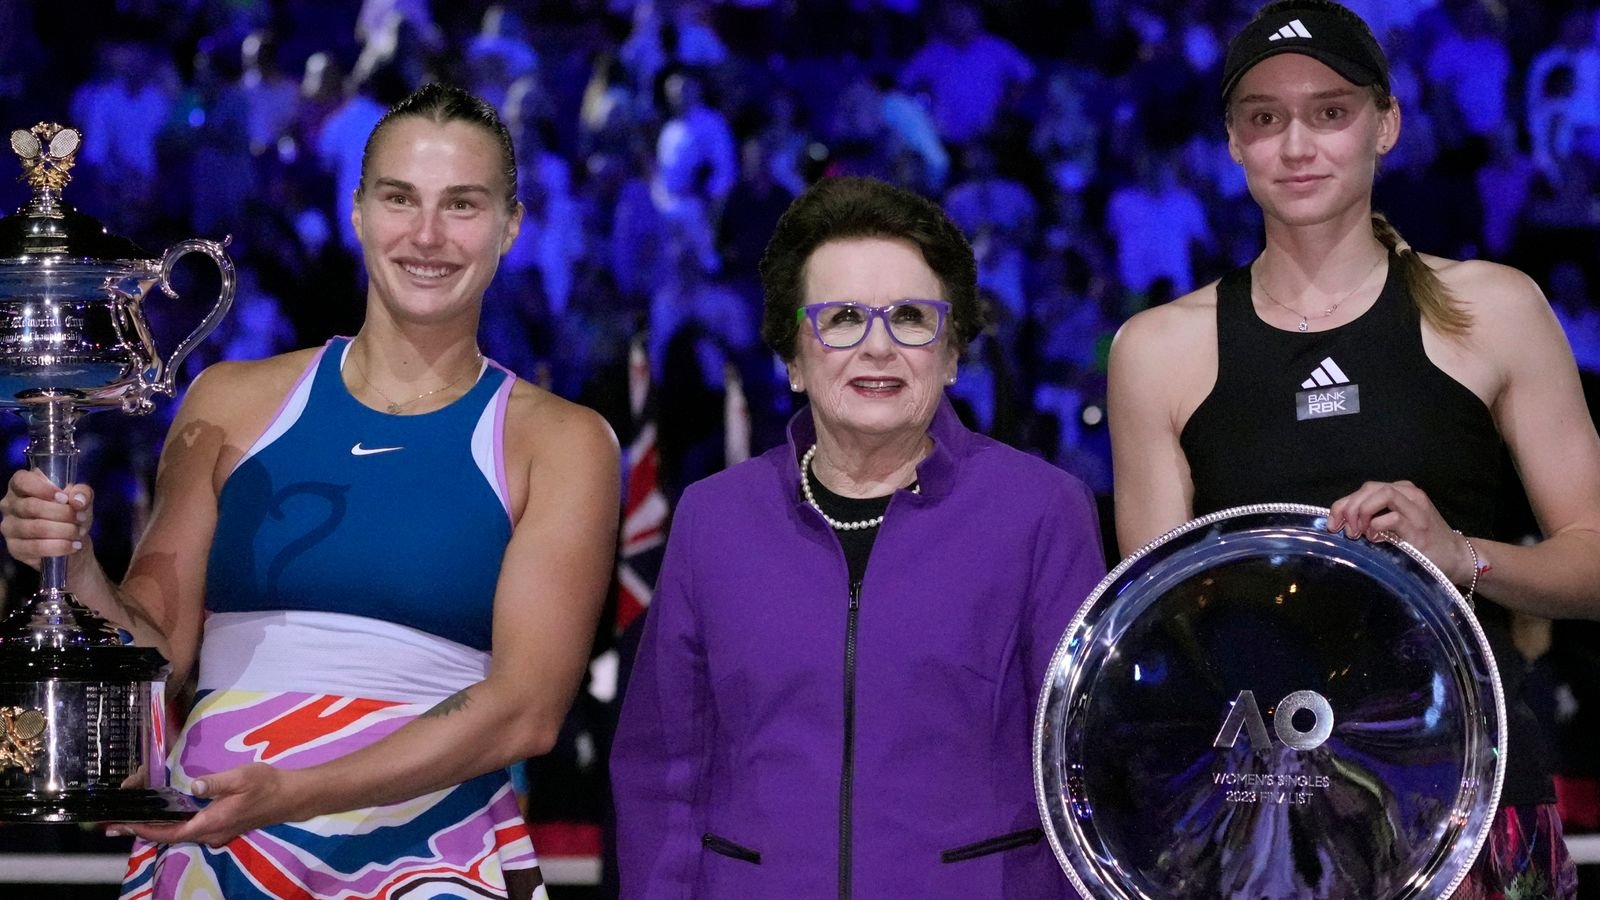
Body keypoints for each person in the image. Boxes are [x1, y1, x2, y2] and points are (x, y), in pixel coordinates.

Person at [0, 83, 619, 900]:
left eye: (462, 205)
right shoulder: (228, 402)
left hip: (429, 862)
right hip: (218, 858)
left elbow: (525, 712)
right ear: (357, 210)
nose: (427, 235)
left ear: (511, 225)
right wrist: (70, 564)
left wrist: (294, 792)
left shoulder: (564, 442)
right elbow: (158, 657)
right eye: (399, 199)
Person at [1107, 2, 1600, 897]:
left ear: (1386, 123)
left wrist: (1465, 558)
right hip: (1262, 814)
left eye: (1330, 112)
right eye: (1265, 117)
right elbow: (1158, 634)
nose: (1297, 144)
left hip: (1473, 794)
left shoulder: (1496, 311)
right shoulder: (1158, 351)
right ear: (1233, 141)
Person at [610, 175, 1105, 898]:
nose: (878, 347)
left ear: (953, 353)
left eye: (910, 317)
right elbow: (665, 773)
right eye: (841, 319)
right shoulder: (713, 518)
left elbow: (1081, 770)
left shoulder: (1041, 511)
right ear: (792, 359)